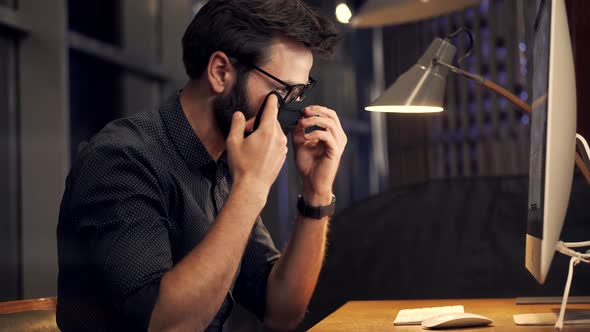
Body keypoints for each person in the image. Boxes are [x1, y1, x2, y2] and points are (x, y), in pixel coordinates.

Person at [56, 0, 345, 330]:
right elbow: (166, 325)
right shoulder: (121, 159)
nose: (286, 111)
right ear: (221, 72)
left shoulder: (225, 164)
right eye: (282, 91)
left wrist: (316, 192)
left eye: (299, 93)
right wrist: (251, 187)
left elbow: (281, 311)